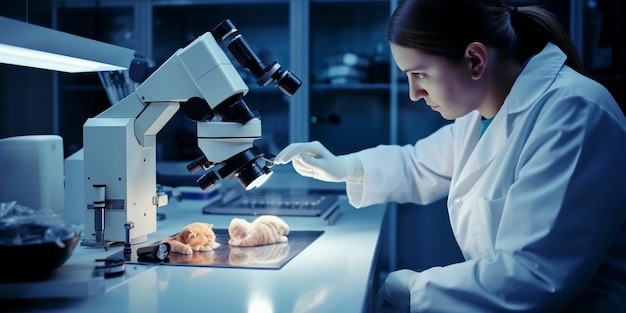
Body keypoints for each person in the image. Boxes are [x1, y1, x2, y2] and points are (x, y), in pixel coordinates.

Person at [273, 0, 626, 312]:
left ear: (474, 60)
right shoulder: (483, 113)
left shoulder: (574, 113)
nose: (413, 93)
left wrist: (417, 288)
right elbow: (418, 165)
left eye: (420, 74)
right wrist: (346, 166)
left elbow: (532, 275)